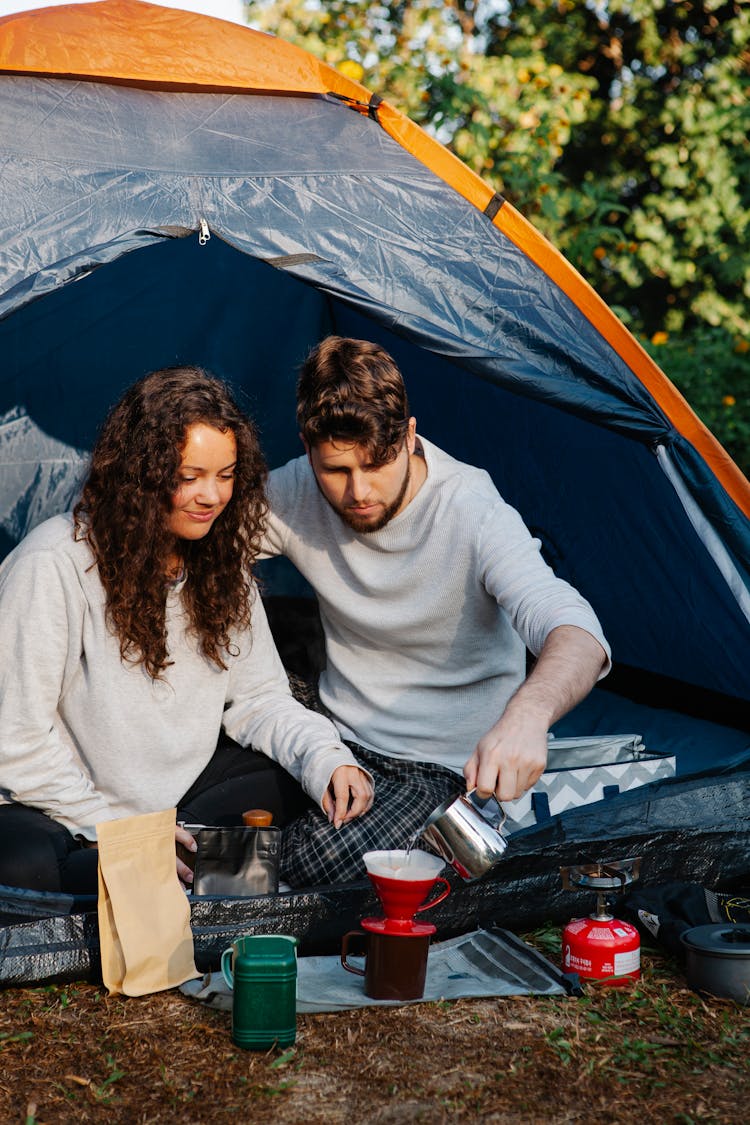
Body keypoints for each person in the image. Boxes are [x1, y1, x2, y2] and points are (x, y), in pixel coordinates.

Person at [0, 365, 372, 896]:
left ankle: (178, 862)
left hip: (178, 801)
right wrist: (122, 834)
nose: (211, 496)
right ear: (141, 473)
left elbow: (262, 697)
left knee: (297, 781)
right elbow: (16, 744)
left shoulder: (220, 565)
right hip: (66, 810)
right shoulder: (53, 563)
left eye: (225, 476)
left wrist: (327, 759)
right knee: (24, 867)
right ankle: (168, 867)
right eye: (189, 476)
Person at [263, 337, 611, 886]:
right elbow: (195, 542)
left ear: (408, 435)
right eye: (336, 470)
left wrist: (528, 715)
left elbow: (577, 631)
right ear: (308, 448)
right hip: (329, 730)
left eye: (376, 464)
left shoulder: (471, 509)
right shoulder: (295, 488)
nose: (358, 491)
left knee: (322, 863)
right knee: (201, 777)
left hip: (436, 767)